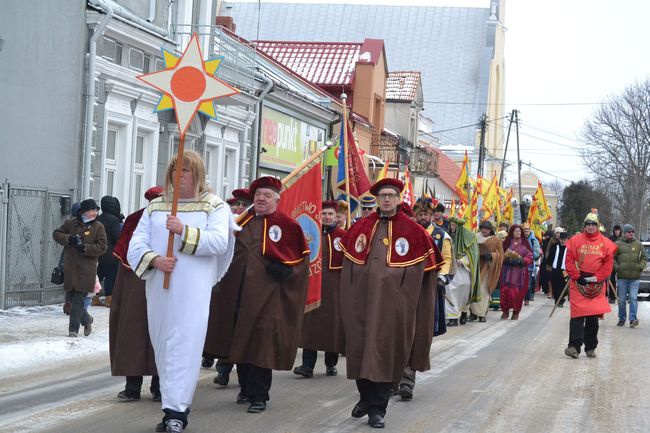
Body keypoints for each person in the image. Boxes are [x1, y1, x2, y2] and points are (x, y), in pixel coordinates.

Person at [128, 151, 237, 433]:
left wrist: (183, 230)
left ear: (198, 174)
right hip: (160, 289)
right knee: (164, 346)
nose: (179, 176)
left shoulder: (214, 206)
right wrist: (154, 259)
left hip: (192, 291)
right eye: (175, 170)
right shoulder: (156, 206)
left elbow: (219, 243)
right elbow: (136, 244)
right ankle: (170, 409)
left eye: (186, 171)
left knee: (184, 346)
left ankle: (176, 412)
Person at [338, 178, 441, 429]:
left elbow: (428, 273)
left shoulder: (414, 232)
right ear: (377, 199)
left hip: (393, 308)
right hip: (361, 303)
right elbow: (346, 266)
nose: (386, 199)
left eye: (391, 195)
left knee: (384, 353)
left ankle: (377, 409)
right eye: (382, 195)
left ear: (398, 199)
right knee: (360, 351)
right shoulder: (361, 226)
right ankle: (365, 398)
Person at [208, 176, 309, 414]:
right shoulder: (240, 222)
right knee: (240, 342)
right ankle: (245, 388)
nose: (261, 199)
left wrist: (287, 270)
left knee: (260, 347)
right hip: (238, 295)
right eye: (258, 196)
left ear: (277, 199)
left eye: (266, 195)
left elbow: (301, 263)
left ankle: (259, 395)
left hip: (268, 297)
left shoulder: (288, 225)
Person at [110, 186, 163, 402]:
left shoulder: (176, 221)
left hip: (163, 281)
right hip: (135, 280)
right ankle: (132, 386)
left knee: (162, 334)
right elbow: (128, 252)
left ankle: (160, 387)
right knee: (133, 333)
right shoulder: (135, 220)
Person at [397, 197, 453, 401]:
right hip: (403, 289)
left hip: (427, 288)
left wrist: (441, 277)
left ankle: (407, 379)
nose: (422, 217)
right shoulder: (405, 233)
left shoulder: (440, 235)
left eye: (425, 214)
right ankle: (394, 377)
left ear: (431, 216)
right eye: (419, 214)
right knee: (399, 331)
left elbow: (446, 260)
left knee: (418, 333)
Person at [293, 200, 346, 378]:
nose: (327, 217)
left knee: (332, 327)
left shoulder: (343, 236)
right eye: (324, 214)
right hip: (313, 286)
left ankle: (331, 364)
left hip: (334, 289)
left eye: (331, 214)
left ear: (335, 217)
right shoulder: (310, 234)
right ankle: (307, 366)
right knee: (311, 327)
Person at [202, 188, 253, 371]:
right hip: (217, 282)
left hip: (240, 284)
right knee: (214, 323)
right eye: (236, 204)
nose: (238, 208)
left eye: (243, 205)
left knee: (233, 326)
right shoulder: (218, 222)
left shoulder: (251, 226)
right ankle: (208, 355)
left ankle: (225, 368)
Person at [564, 210, 617, 359]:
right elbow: (569, 260)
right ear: (584, 225)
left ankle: (590, 347)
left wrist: (598, 278)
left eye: (594, 224)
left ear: (598, 226)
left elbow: (608, 265)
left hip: (597, 284)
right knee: (577, 316)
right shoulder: (575, 240)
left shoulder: (606, 243)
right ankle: (574, 347)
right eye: (588, 224)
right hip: (578, 282)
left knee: (592, 318)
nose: (591, 227)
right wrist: (576, 276)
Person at [53, 198, 107, 337]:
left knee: (77, 302)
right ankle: (87, 319)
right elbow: (57, 234)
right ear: (83, 211)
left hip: (86, 271)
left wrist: (85, 248)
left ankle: (73, 332)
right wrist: (69, 239)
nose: (94, 213)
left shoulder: (98, 227)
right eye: (91, 210)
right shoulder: (71, 223)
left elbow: (102, 247)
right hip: (71, 269)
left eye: (96, 210)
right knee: (72, 300)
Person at [445, 217, 480, 326]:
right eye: (451, 225)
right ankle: (453, 317)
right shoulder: (450, 237)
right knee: (450, 289)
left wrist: (463, 260)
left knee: (465, 288)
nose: (452, 227)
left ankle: (464, 312)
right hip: (452, 270)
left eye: (454, 225)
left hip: (465, 270)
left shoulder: (470, 237)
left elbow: (474, 256)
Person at [614, 224, 646, 328]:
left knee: (633, 298)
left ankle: (633, 319)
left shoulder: (639, 244)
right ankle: (622, 319)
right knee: (622, 300)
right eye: (629, 232)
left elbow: (644, 258)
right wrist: (617, 268)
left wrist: (640, 267)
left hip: (634, 277)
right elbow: (612, 258)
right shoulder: (617, 244)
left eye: (633, 232)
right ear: (625, 232)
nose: (631, 233)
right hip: (622, 277)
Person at [471, 221, 504, 322]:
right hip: (474, 267)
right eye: (483, 228)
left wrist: (491, 256)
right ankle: (473, 314)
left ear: (490, 230)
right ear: (480, 228)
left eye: (487, 228)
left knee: (484, 291)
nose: (485, 230)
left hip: (487, 268)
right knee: (473, 291)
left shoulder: (496, 241)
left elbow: (500, 256)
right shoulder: (474, 237)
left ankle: (482, 314)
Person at [499, 224, 534, 320]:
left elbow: (530, 256)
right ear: (512, 232)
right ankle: (505, 311)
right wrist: (507, 260)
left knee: (517, 293)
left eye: (519, 231)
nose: (518, 233)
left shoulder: (525, 243)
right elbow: (500, 254)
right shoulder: (506, 243)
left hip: (519, 273)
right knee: (504, 291)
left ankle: (515, 312)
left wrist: (521, 261)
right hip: (506, 271)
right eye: (516, 231)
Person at [96, 195, 123, 307]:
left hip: (99, 253)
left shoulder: (99, 218)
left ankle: (94, 298)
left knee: (99, 275)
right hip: (111, 254)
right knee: (110, 277)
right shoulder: (114, 220)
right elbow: (117, 236)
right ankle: (109, 299)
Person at [522, 223, 541, 306]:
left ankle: (527, 298)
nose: (526, 231)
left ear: (530, 230)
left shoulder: (534, 240)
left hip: (529, 265)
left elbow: (537, 253)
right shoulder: (518, 239)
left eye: (527, 230)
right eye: (524, 230)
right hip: (518, 264)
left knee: (528, 283)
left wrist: (528, 255)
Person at [549, 231, 569, 307]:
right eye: (561, 239)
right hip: (555, 269)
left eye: (565, 239)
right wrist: (549, 265)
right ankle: (557, 299)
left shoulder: (570, 248)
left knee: (563, 285)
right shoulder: (554, 246)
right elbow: (550, 256)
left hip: (565, 270)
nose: (563, 241)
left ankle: (560, 300)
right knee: (554, 285)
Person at [608, 225, 622, 303]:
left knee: (621, 280)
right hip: (612, 261)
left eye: (618, 230)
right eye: (616, 230)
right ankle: (611, 297)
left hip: (620, 261)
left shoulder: (622, 239)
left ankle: (620, 296)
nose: (617, 232)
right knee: (612, 279)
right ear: (614, 231)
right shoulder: (611, 239)